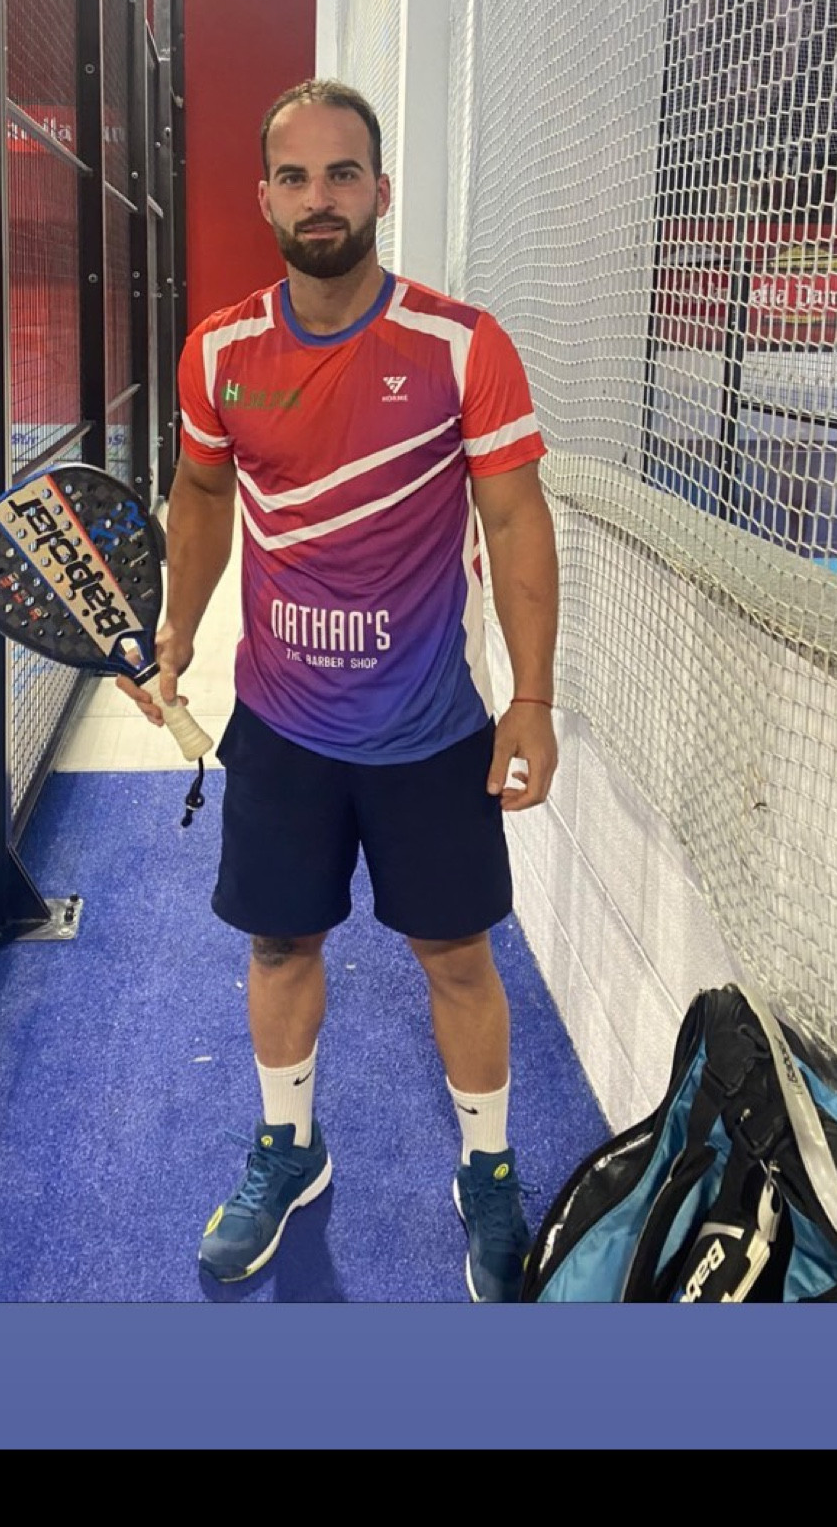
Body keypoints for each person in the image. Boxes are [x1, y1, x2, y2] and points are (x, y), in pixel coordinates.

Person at [120, 78, 559, 1302]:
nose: (321, 198)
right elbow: (203, 495)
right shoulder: (220, 351)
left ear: (381, 190)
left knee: (457, 955)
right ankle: (289, 1149)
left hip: (433, 729)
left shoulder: (461, 346)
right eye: (296, 177)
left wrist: (532, 698)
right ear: (265, 197)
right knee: (280, 943)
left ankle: (488, 1172)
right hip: (283, 723)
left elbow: (515, 518)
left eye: (343, 174)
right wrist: (177, 627)